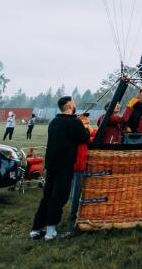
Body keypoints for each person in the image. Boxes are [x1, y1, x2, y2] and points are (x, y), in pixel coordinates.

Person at [30, 96, 91, 241]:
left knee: (47, 196)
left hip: (51, 164)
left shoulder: (54, 122)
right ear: (69, 105)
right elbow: (84, 137)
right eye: (74, 103)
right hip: (64, 165)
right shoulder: (74, 123)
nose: (75, 105)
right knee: (59, 197)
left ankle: (36, 228)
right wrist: (85, 126)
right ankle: (51, 232)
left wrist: (78, 122)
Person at [67, 114, 96, 227]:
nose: (88, 125)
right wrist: (90, 129)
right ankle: (74, 212)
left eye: (88, 122)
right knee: (76, 190)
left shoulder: (80, 133)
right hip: (78, 165)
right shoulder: (80, 135)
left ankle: (73, 209)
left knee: (74, 188)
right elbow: (93, 135)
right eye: (86, 123)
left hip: (77, 164)